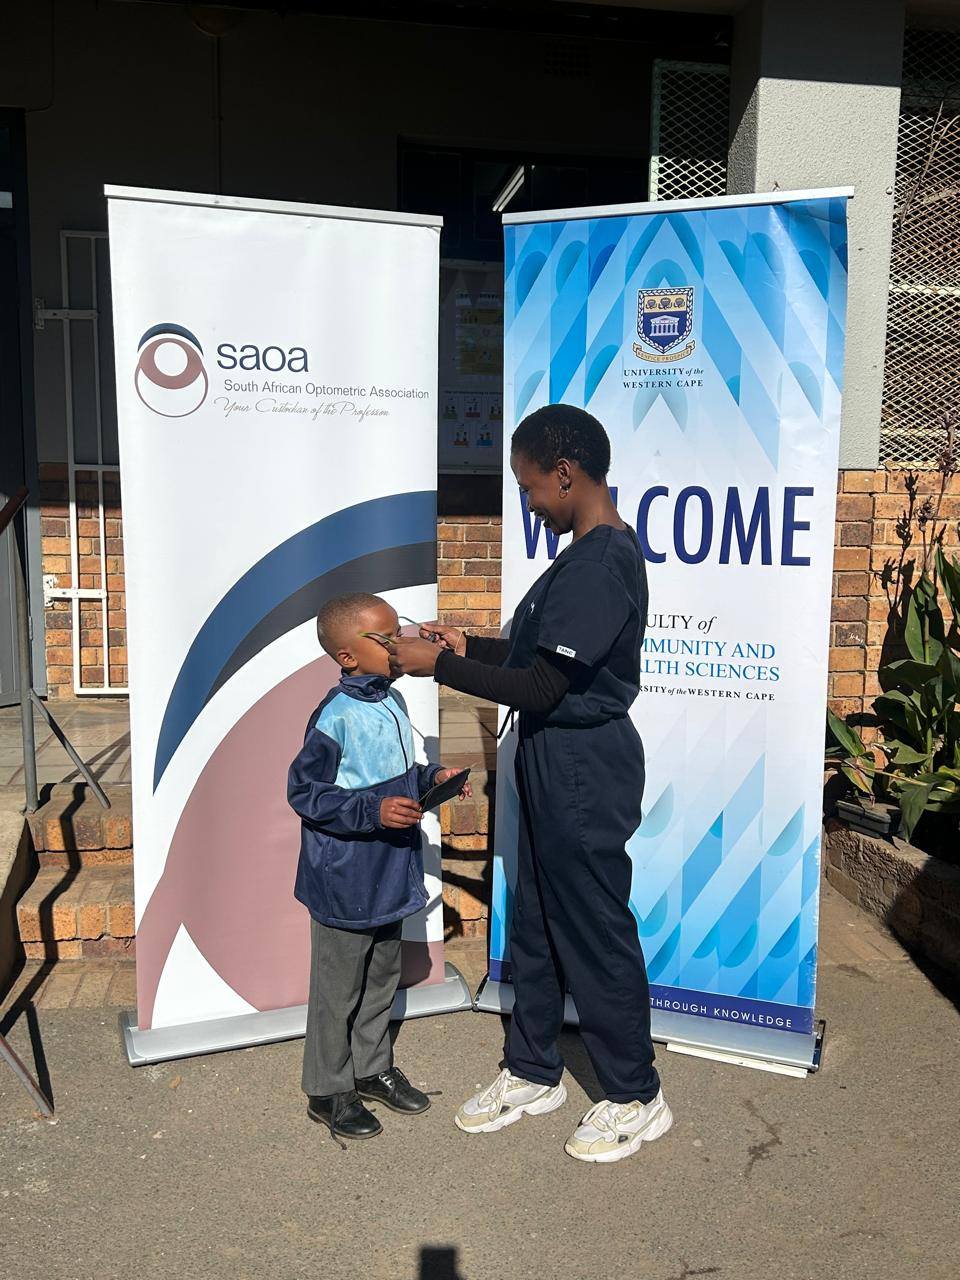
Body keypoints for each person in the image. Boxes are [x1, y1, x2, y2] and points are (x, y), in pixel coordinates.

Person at [388, 404, 672, 1164]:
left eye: (530, 486)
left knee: (594, 929)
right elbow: (538, 659)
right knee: (538, 922)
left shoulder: (601, 563)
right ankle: (534, 1070)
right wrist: (469, 644)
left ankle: (636, 1094)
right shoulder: (580, 557)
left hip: (585, 765)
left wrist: (441, 667)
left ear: (566, 474)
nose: (529, 501)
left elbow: (546, 687)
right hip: (553, 757)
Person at [287, 591, 469, 1144]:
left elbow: (398, 775)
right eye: (385, 638)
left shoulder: (394, 702)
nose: (400, 644)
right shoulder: (334, 716)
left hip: (391, 872)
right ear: (347, 656)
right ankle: (327, 1089)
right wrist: (372, 810)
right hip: (345, 879)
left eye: (399, 632)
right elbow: (304, 793)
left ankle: (371, 1068)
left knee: (382, 976)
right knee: (338, 988)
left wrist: (431, 779)